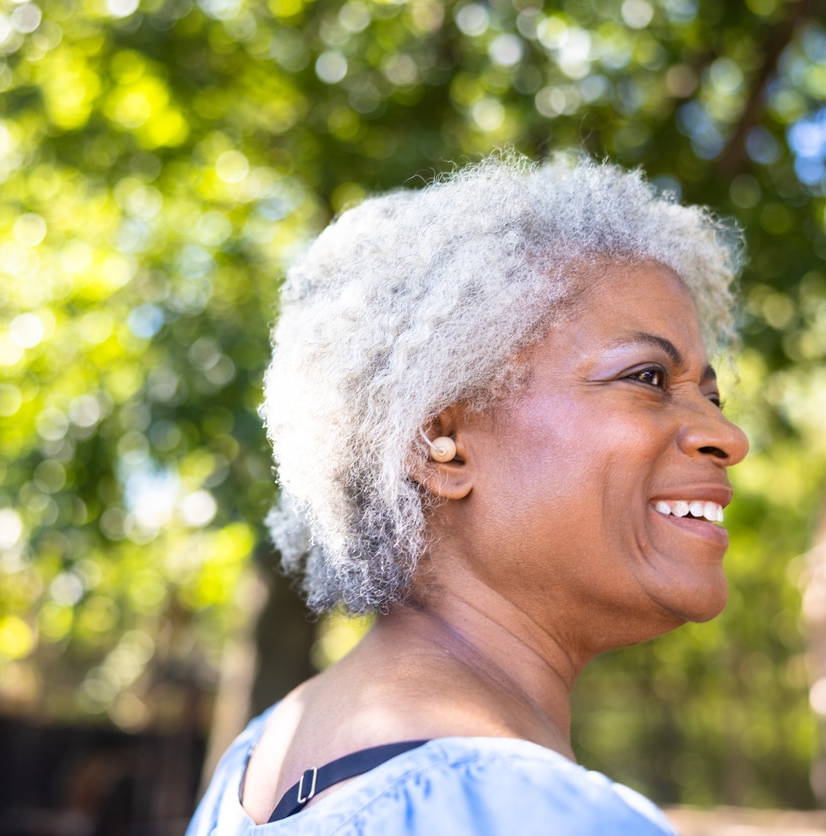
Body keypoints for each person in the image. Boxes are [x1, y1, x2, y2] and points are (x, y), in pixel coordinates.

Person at [188, 153, 750, 834]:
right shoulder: (539, 816)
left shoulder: (254, 765)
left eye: (711, 394)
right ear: (438, 443)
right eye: (647, 378)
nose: (727, 435)